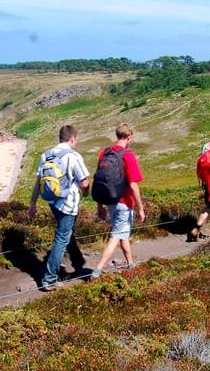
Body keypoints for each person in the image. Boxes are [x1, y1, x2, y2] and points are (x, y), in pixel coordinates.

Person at [28, 125, 90, 291]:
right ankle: (49, 279)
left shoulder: (46, 155)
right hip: (68, 205)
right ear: (72, 139)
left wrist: (33, 204)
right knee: (61, 239)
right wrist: (86, 193)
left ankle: (71, 263)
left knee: (65, 234)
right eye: (76, 140)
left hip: (52, 202)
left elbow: (37, 182)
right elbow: (84, 182)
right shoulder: (73, 156)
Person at [90, 123, 145, 280]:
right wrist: (140, 208)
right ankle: (98, 270)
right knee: (116, 235)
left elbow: (99, 179)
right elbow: (134, 185)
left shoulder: (104, 153)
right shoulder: (128, 155)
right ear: (129, 137)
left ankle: (130, 263)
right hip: (124, 201)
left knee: (122, 233)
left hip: (109, 200)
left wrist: (99, 205)